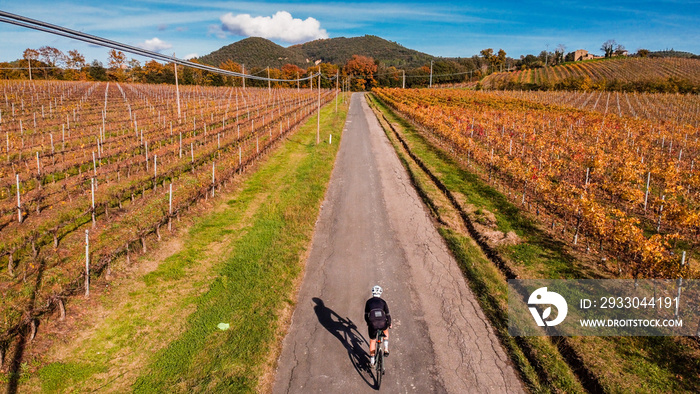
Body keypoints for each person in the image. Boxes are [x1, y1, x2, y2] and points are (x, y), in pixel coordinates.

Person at [364, 285, 391, 366]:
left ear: (372, 292)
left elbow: (366, 315)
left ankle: (372, 361)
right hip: (382, 322)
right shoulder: (383, 302)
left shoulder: (368, 302)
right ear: (381, 293)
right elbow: (388, 315)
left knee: (372, 340)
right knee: (385, 330)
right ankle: (386, 348)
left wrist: (368, 323)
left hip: (373, 323)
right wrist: (389, 323)